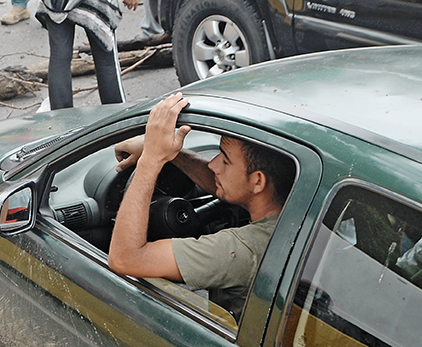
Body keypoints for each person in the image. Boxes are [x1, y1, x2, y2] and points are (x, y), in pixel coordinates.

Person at [108, 93, 296, 320]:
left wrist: (152, 159)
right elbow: (230, 185)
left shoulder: (241, 251)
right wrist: (174, 155)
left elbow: (125, 259)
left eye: (225, 160)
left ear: (258, 181)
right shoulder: (298, 211)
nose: (214, 164)